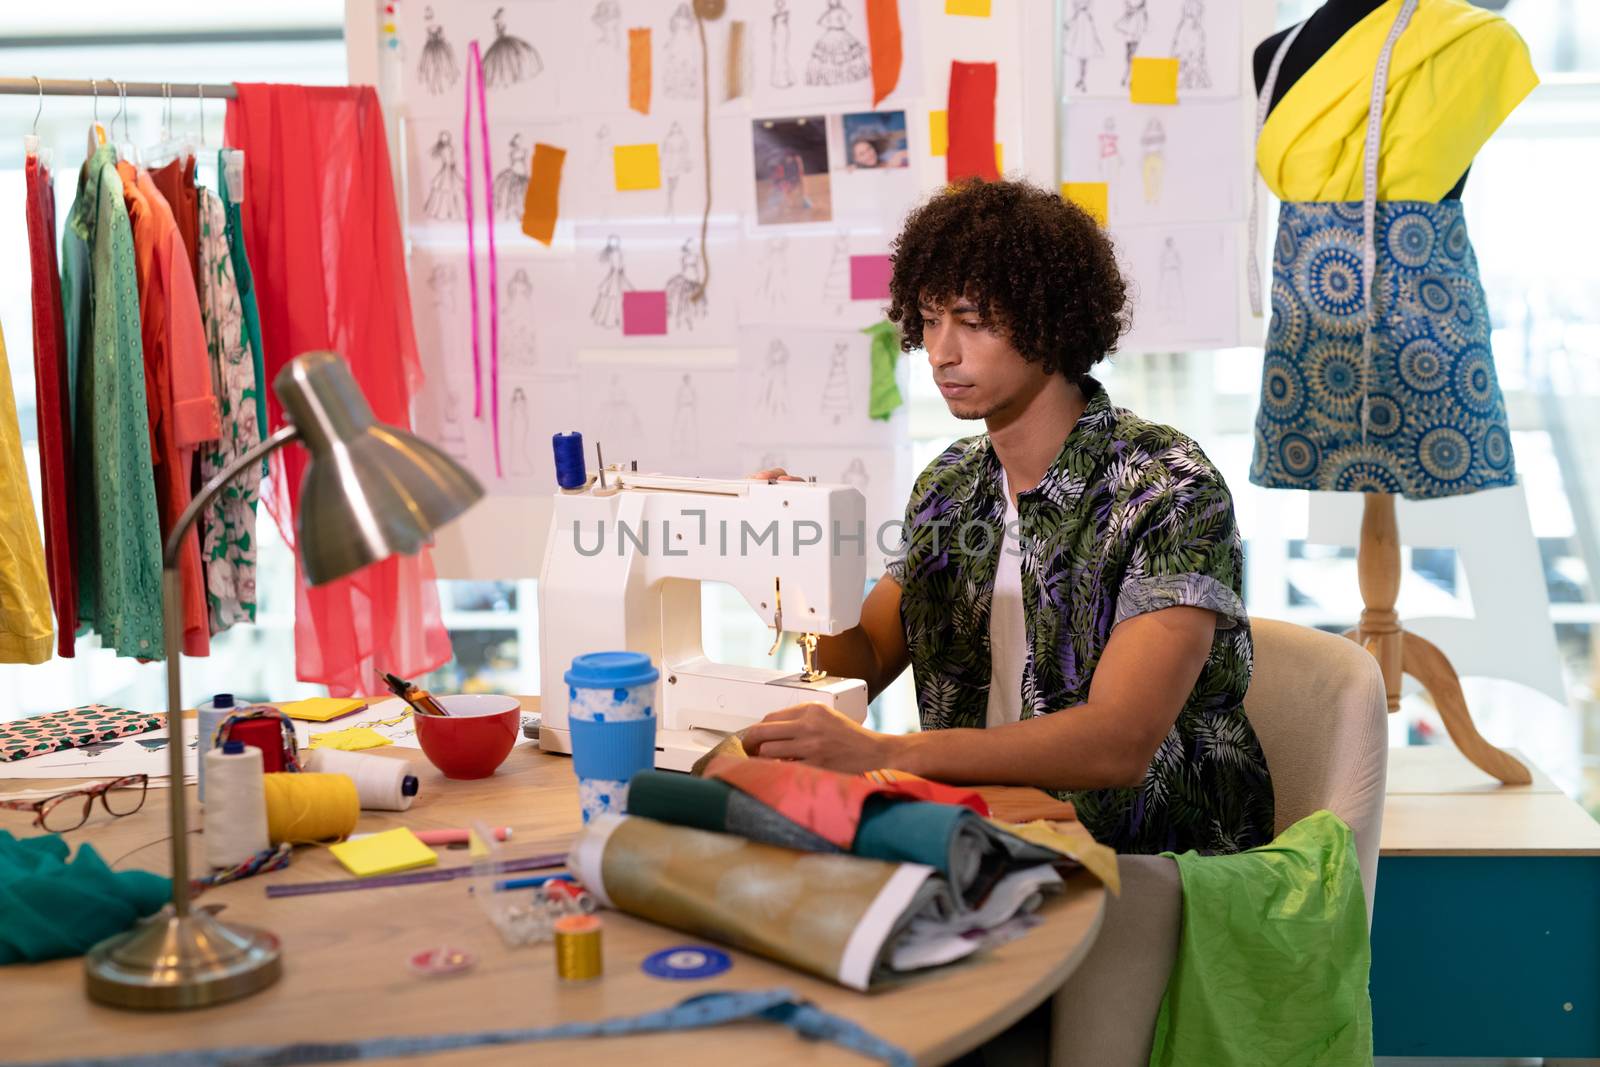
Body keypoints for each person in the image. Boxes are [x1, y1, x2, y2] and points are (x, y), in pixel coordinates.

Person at [747, 179, 1273, 856]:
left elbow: (1117, 745)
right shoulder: (950, 485)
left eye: (972, 321)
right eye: (930, 320)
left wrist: (891, 752)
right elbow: (868, 661)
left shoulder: (1169, 487)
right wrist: (801, 570)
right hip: (979, 831)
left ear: (1050, 321)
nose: (940, 351)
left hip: (1152, 865)